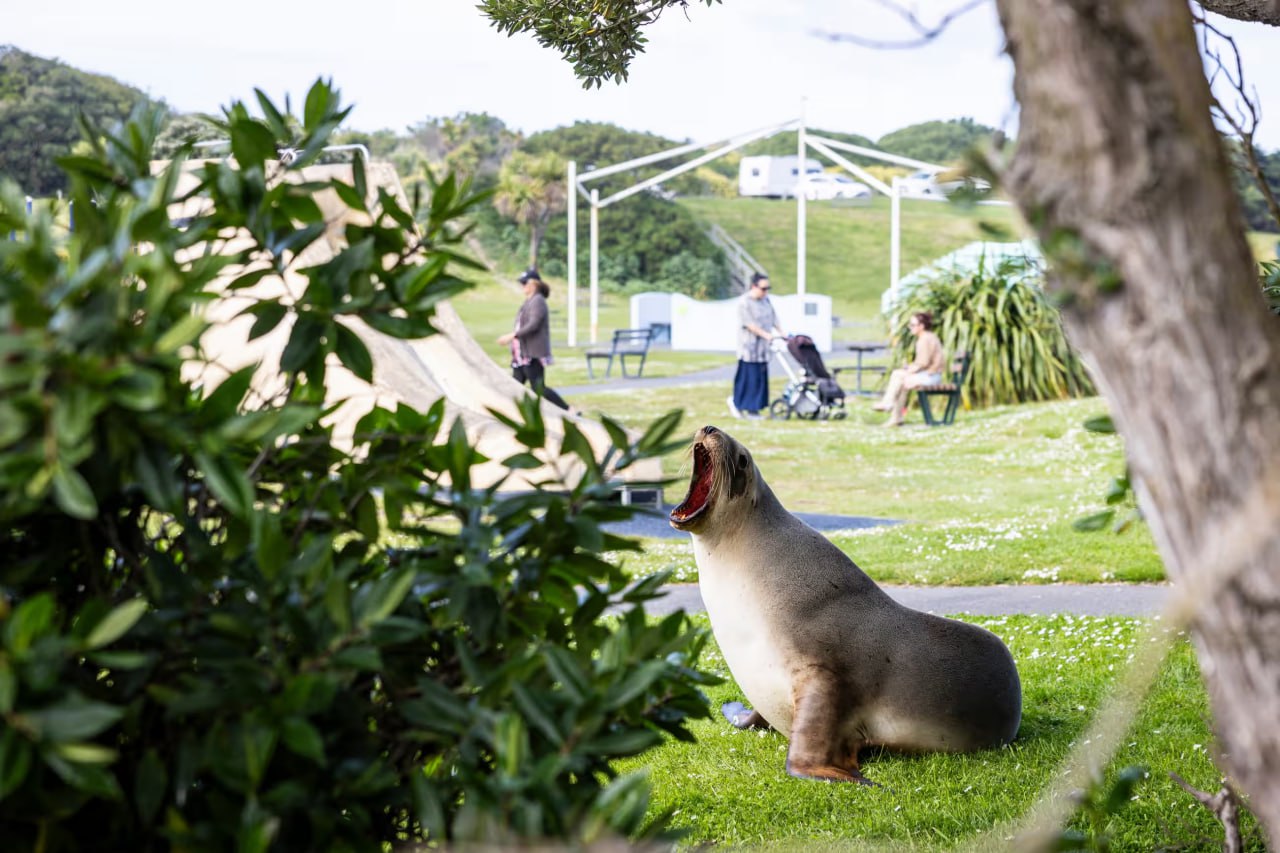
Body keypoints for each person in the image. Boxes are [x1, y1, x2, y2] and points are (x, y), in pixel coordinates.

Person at [497, 267, 573, 412]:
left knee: (539, 389)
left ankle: (568, 409)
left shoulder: (538, 301)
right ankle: (511, 413)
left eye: (524, 282)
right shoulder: (529, 301)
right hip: (521, 354)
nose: (522, 286)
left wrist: (512, 335)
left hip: (532, 354)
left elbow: (534, 324)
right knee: (515, 386)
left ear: (534, 284)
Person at [729, 272, 785, 420]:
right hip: (749, 349)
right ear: (754, 286)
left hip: (763, 351)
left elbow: (774, 318)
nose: (766, 291)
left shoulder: (766, 301)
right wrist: (766, 335)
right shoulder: (744, 302)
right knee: (749, 379)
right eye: (763, 288)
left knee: (760, 380)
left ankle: (755, 409)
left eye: (768, 288)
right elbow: (748, 324)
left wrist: (782, 333)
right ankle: (740, 405)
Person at [873, 310, 945, 426]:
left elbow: (923, 363)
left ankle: (888, 403)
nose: (910, 327)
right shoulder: (928, 337)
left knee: (898, 374)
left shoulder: (925, 339)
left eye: (912, 325)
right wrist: (909, 369)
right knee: (901, 382)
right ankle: (896, 417)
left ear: (921, 326)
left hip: (931, 377)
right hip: (931, 375)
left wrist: (909, 370)